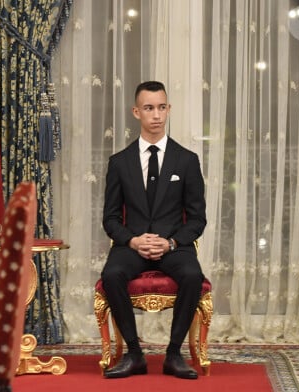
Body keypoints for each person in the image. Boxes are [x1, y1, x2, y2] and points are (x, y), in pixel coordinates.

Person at [101, 81, 206, 380]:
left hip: (173, 247)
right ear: (137, 112)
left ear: (168, 109)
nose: (156, 115)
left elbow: (197, 219)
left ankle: (174, 354)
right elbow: (109, 218)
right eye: (149, 108)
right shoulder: (119, 163)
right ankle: (135, 354)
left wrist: (171, 242)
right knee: (111, 274)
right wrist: (132, 241)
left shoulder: (187, 160)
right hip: (132, 246)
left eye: (162, 107)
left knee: (192, 275)